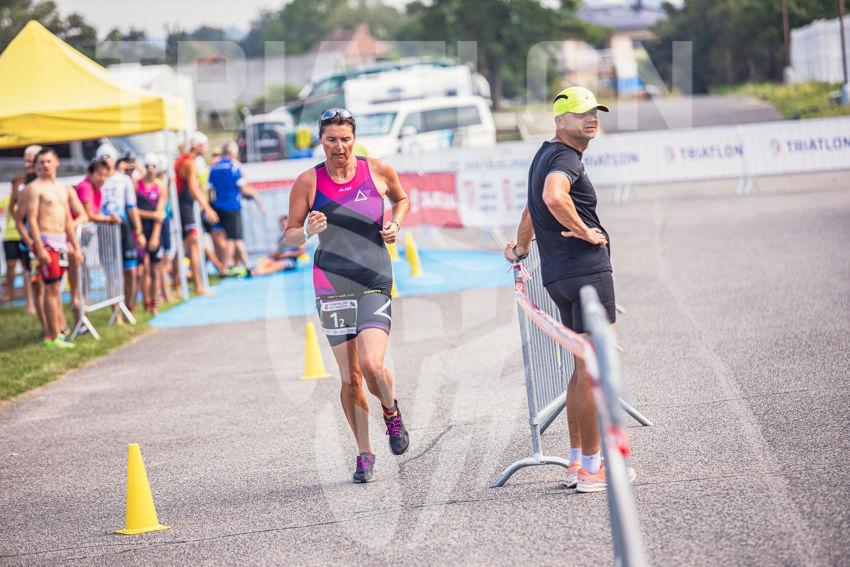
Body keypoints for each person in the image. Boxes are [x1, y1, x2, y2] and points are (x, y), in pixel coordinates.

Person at [505, 86, 636, 493]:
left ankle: (578, 460)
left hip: (560, 276)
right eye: (581, 113)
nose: (591, 118)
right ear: (560, 121)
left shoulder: (545, 154)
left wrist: (520, 247)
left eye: (595, 111)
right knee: (595, 369)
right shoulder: (564, 158)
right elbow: (552, 197)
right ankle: (594, 468)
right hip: (585, 272)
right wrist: (585, 231)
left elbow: (532, 208)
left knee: (582, 370)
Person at [284, 108, 411, 484]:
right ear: (321, 141)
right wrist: (307, 229)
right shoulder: (308, 182)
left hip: (373, 277)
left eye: (345, 139)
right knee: (350, 377)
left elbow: (402, 199)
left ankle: (391, 411)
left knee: (372, 365)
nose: (339, 147)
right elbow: (290, 235)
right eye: (331, 140)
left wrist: (395, 224)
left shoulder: (378, 170)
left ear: (354, 139)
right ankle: (364, 452)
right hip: (331, 283)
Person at [21, 148, 83, 349]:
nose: (45, 165)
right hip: (47, 243)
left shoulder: (63, 188)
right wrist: (39, 247)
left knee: (56, 289)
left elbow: (67, 220)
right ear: (36, 166)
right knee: (50, 288)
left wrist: (76, 247)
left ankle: (56, 333)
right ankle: (52, 336)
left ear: (57, 162)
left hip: (61, 242)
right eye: (41, 162)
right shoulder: (34, 188)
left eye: (49, 161)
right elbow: (31, 220)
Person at [96, 144, 145, 318]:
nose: (105, 161)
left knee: (131, 270)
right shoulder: (97, 180)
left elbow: (131, 207)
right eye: (102, 158)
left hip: (123, 228)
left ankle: (129, 309)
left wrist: (138, 231)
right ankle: (116, 313)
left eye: (108, 157)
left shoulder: (123, 180)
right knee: (111, 273)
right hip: (104, 229)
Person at [209, 141, 266, 276]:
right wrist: (256, 199)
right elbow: (243, 188)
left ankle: (244, 266)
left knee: (230, 238)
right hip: (232, 206)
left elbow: (210, 190)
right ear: (232, 152)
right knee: (234, 238)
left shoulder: (214, 167)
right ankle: (227, 268)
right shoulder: (234, 167)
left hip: (218, 206)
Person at [174, 132, 219, 295]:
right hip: (185, 206)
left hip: (184, 205)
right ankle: (198, 286)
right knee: (193, 243)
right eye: (205, 145)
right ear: (197, 146)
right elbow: (193, 189)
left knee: (183, 245)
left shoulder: (184, 159)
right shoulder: (189, 163)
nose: (207, 149)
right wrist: (207, 208)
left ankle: (175, 285)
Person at [2, 145, 41, 311]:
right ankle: (30, 303)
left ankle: (40, 304)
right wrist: (21, 220)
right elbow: (12, 207)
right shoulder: (20, 183)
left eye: (30, 161)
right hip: (27, 235)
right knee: (27, 268)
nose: (26, 164)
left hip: (45, 234)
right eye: (25, 161)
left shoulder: (44, 182)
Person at [135, 153, 168, 314]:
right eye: (147, 166)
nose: (150, 170)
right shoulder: (136, 186)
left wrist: (155, 236)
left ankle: (154, 304)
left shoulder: (160, 187)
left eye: (153, 166)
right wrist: (151, 216)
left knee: (155, 270)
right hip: (141, 230)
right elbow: (134, 211)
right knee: (142, 270)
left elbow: (159, 215)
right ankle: (145, 302)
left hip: (155, 231)